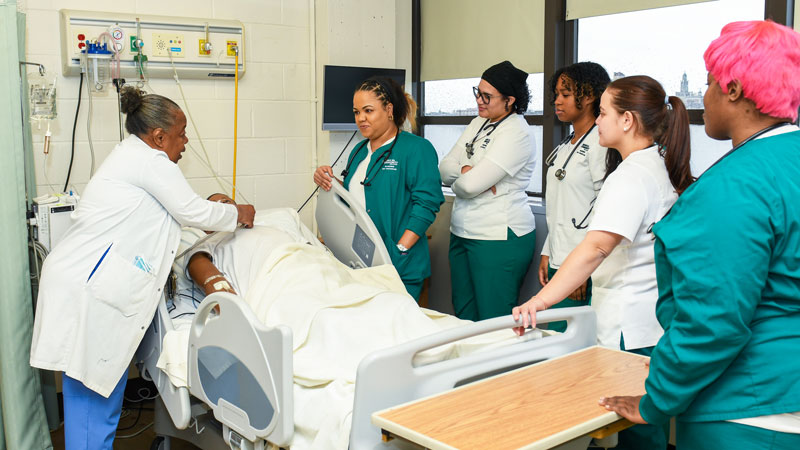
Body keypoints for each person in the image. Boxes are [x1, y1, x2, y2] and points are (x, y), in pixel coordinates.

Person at [600, 20, 800, 449]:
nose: (703, 96)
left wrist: (657, 402)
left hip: (746, 412)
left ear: (734, 89)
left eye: (709, 82)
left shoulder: (733, 186)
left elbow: (712, 322)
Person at [29, 86, 256, 450]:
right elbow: (193, 211)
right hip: (91, 293)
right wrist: (237, 212)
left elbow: (177, 218)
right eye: (181, 134)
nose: (185, 143)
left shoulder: (133, 157)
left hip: (92, 286)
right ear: (159, 136)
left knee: (96, 401)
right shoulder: (150, 161)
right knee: (92, 404)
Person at [513, 75, 694, 449]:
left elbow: (596, 248)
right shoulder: (658, 164)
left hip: (627, 327)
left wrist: (538, 301)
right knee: (646, 428)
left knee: (634, 431)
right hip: (651, 322)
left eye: (604, 112)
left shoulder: (629, 177)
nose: (597, 120)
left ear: (627, 120)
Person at [313, 77, 444, 300]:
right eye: (356, 112)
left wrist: (400, 249)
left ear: (389, 109)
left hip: (399, 265)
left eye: (368, 110)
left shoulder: (416, 149)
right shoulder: (359, 151)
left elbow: (427, 204)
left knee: (397, 329)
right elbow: (356, 197)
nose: (361, 118)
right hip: (360, 261)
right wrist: (330, 183)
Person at [438, 60, 537, 321]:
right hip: (462, 230)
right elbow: (444, 168)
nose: (479, 100)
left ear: (510, 100)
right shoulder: (477, 123)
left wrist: (466, 177)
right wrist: (469, 172)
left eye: (487, 96)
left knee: (494, 319)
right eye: (477, 92)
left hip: (498, 236)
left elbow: (468, 186)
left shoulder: (517, 133)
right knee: (463, 313)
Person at [539, 62, 611, 332]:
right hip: (560, 255)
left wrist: (585, 269)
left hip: (580, 261)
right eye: (556, 94)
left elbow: (602, 211)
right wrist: (547, 249)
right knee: (552, 335)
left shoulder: (600, 145)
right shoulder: (568, 143)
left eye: (565, 95)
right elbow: (563, 207)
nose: (557, 101)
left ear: (589, 95)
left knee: (568, 345)